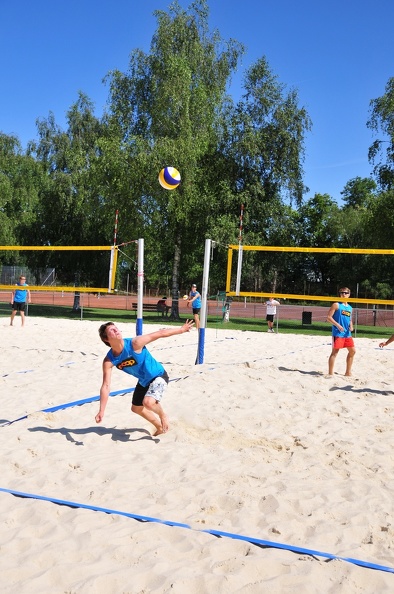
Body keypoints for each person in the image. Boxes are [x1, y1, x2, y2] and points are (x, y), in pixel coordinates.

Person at [96, 319, 194, 436]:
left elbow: (160, 334)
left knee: (148, 403)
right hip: (144, 381)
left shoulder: (135, 343)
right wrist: (101, 411)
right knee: (136, 408)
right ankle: (159, 427)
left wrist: (181, 330)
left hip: (159, 375)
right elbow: (106, 386)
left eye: (116, 327)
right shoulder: (109, 360)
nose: (116, 330)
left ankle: (163, 415)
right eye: (111, 330)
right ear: (106, 339)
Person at [326, 287, 355, 376]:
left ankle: (348, 372)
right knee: (335, 352)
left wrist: (351, 326)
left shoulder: (350, 307)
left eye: (345, 293)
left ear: (349, 295)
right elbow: (328, 318)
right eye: (341, 292)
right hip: (337, 333)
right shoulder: (336, 305)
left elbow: (349, 319)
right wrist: (337, 325)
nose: (343, 294)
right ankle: (330, 373)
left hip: (347, 334)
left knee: (352, 351)